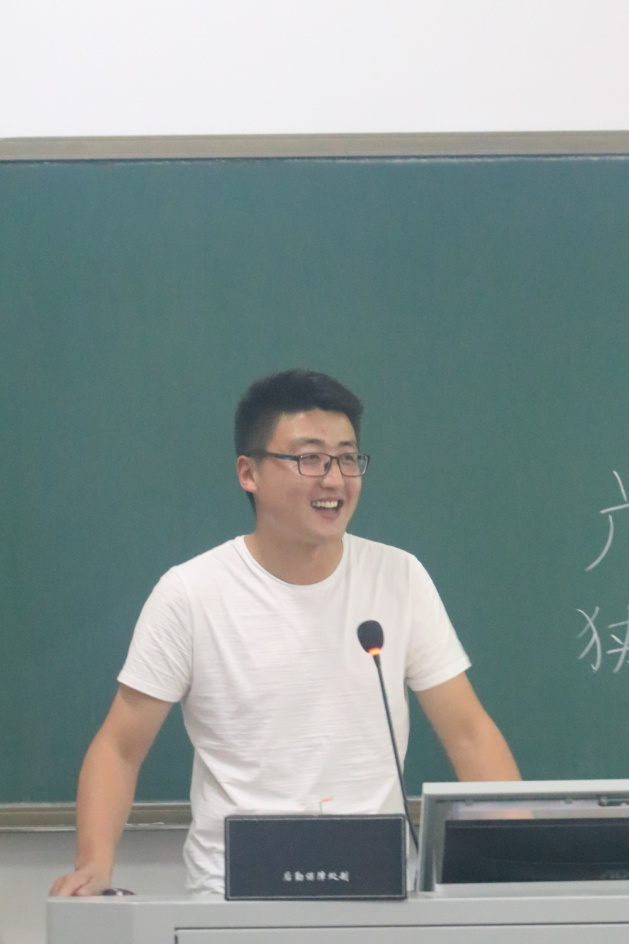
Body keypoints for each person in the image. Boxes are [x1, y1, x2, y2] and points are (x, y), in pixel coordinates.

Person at [51, 368, 519, 897]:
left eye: (347, 458)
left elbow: (469, 732)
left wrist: (520, 854)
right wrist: (94, 864)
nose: (334, 480)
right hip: (235, 900)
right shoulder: (191, 593)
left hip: (380, 893)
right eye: (310, 458)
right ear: (248, 473)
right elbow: (119, 747)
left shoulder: (399, 577)